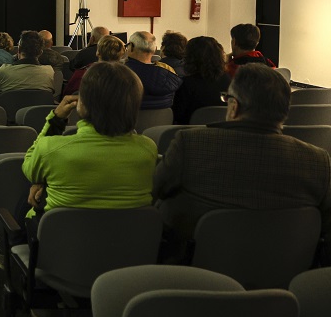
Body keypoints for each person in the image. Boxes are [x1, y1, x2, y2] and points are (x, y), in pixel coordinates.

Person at [154, 64, 331, 257]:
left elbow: (157, 190)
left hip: (194, 263)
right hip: (286, 268)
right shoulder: (319, 161)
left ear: (233, 107)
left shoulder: (190, 144)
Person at [23, 62, 157, 220]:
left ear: (82, 104)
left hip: (62, 235)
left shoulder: (51, 149)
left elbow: (30, 169)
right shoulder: (148, 149)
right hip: (128, 235)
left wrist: (56, 120)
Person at [171, 36, 231, 124]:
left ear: (190, 57)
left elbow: (177, 115)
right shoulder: (228, 81)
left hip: (190, 130)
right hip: (221, 130)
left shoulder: (187, 84)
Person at [124, 31, 182, 109]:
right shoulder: (169, 76)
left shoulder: (121, 73)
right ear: (155, 49)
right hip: (163, 117)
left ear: (132, 47)